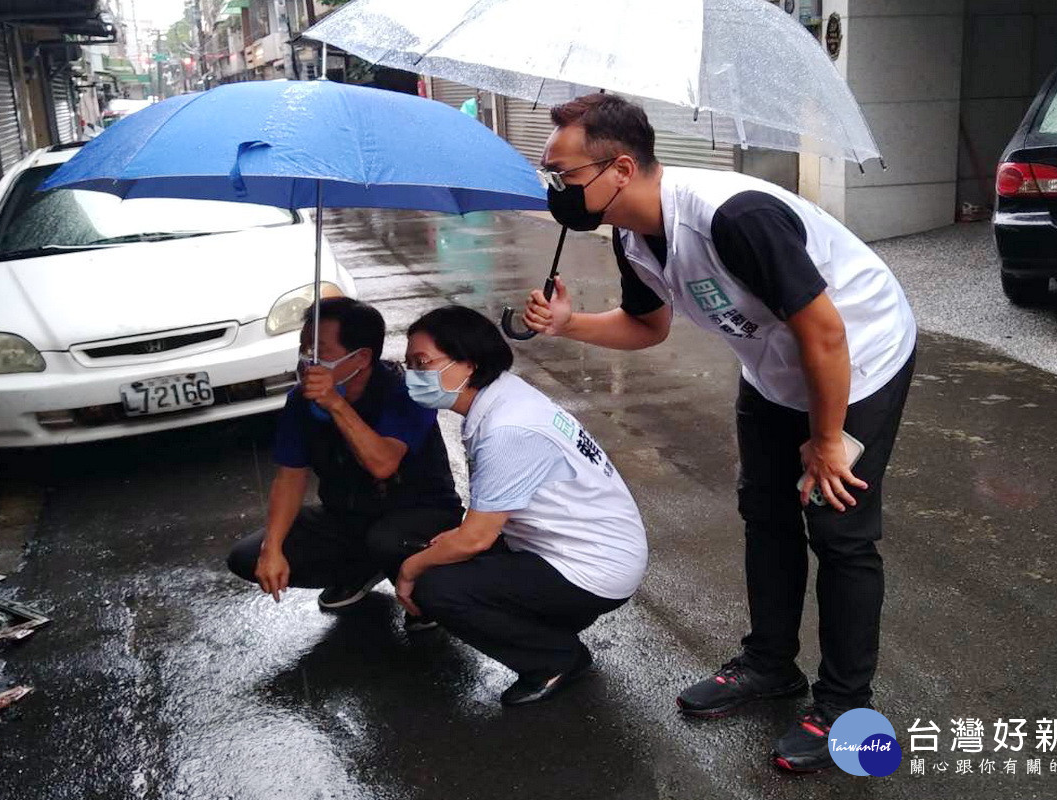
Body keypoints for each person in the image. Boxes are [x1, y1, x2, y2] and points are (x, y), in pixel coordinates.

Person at [521, 93, 917, 771]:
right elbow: (648, 326)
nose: (557, 191)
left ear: (619, 168)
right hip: (772, 369)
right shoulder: (630, 235)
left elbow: (824, 333)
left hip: (858, 359)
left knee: (838, 529)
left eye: (566, 176)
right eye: (550, 176)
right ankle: (770, 664)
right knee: (765, 514)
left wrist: (825, 440)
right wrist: (568, 325)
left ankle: (845, 706)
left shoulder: (734, 216)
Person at [395, 305, 648, 706]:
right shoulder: (505, 395)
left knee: (434, 584)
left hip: (590, 567)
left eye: (422, 363)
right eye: (408, 364)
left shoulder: (506, 428)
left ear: (469, 363)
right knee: (435, 547)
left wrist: (409, 573)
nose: (412, 375)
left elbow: (476, 539)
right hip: (581, 547)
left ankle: (554, 659)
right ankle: (541, 625)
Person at [227, 297, 463, 631]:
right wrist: (273, 547)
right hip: (347, 516)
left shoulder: (408, 391)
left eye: (321, 350)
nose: (309, 360)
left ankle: (426, 593)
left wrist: (336, 405)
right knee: (247, 557)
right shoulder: (300, 401)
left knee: (388, 541)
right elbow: (290, 476)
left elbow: (382, 463)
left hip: (420, 515)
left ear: (362, 357)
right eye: (305, 348)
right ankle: (361, 569)